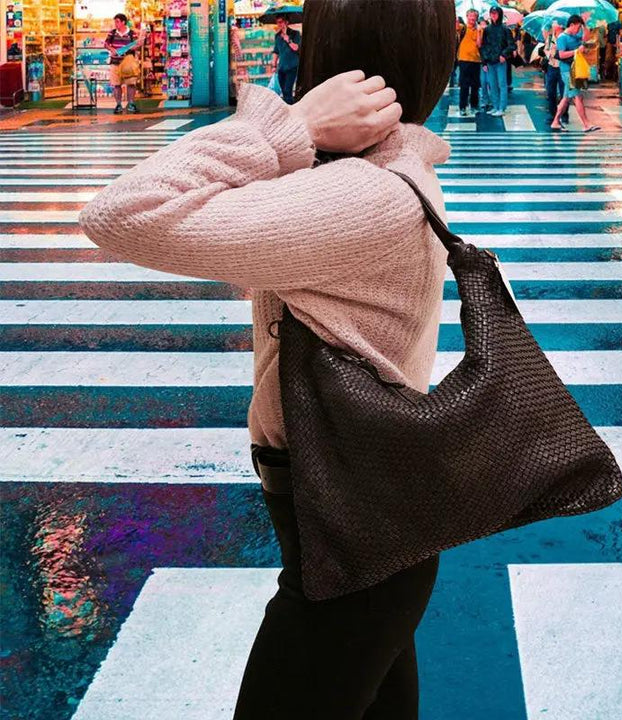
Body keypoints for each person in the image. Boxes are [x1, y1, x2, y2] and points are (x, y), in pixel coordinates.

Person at [78, 1, 457, 718]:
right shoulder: (374, 174)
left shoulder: (362, 195)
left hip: (351, 521)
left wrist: (291, 124)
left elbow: (119, 213)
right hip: (370, 511)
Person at [550, 14, 600, 132]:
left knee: (566, 98)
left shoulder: (575, 35)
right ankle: (586, 124)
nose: (578, 30)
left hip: (575, 69)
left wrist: (584, 24)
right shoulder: (562, 38)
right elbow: (561, 54)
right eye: (577, 27)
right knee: (578, 96)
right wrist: (576, 51)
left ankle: (555, 121)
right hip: (567, 71)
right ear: (571, 25)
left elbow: (586, 38)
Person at [104, 13, 144, 114]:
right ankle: (118, 104)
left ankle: (131, 104)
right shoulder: (112, 33)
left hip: (128, 62)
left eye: (117, 22)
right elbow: (106, 44)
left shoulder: (132, 33)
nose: (116, 24)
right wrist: (112, 49)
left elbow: (136, 46)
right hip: (115, 62)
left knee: (131, 84)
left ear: (123, 22)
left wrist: (136, 45)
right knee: (116, 84)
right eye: (115, 22)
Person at [481, 5, 516, 117]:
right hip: (490, 61)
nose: (493, 15)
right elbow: (483, 46)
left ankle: (501, 107)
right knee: (492, 85)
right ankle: (495, 106)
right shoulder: (487, 30)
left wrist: (504, 55)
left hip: (500, 61)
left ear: (499, 14)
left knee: (502, 84)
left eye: (495, 13)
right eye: (492, 13)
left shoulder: (505, 29)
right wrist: (484, 61)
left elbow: (512, 45)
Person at [457, 8, 482, 115]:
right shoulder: (462, 28)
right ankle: (462, 107)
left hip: (476, 60)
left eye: (474, 16)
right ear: (467, 17)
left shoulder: (479, 29)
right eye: (470, 15)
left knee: (475, 85)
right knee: (464, 85)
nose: (472, 18)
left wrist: (479, 31)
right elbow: (455, 26)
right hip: (464, 60)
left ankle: (474, 106)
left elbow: (479, 44)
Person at [272, 14, 301, 104]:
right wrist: (274, 65)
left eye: (280, 22)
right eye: (277, 22)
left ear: (286, 22)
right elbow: (276, 51)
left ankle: (290, 109)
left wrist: (288, 40)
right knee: (284, 91)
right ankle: (288, 107)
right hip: (282, 67)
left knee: (288, 90)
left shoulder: (295, 33)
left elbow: (296, 48)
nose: (279, 24)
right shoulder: (277, 36)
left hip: (292, 66)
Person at [544, 20, 569, 126]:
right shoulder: (550, 37)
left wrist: (558, 50)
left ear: (560, 25)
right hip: (552, 66)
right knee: (551, 92)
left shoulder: (565, 37)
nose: (553, 25)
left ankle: (564, 115)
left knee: (564, 93)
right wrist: (549, 53)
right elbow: (546, 49)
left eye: (555, 23)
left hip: (563, 67)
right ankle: (552, 114)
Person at [449, 16, 466, 88]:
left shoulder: (462, 29)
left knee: (460, 68)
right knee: (453, 69)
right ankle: (452, 83)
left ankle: (459, 82)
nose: (457, 23)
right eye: (455, 21)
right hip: (453, 53)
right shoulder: (451, 31)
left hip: (460, 52)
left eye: (457, 21)